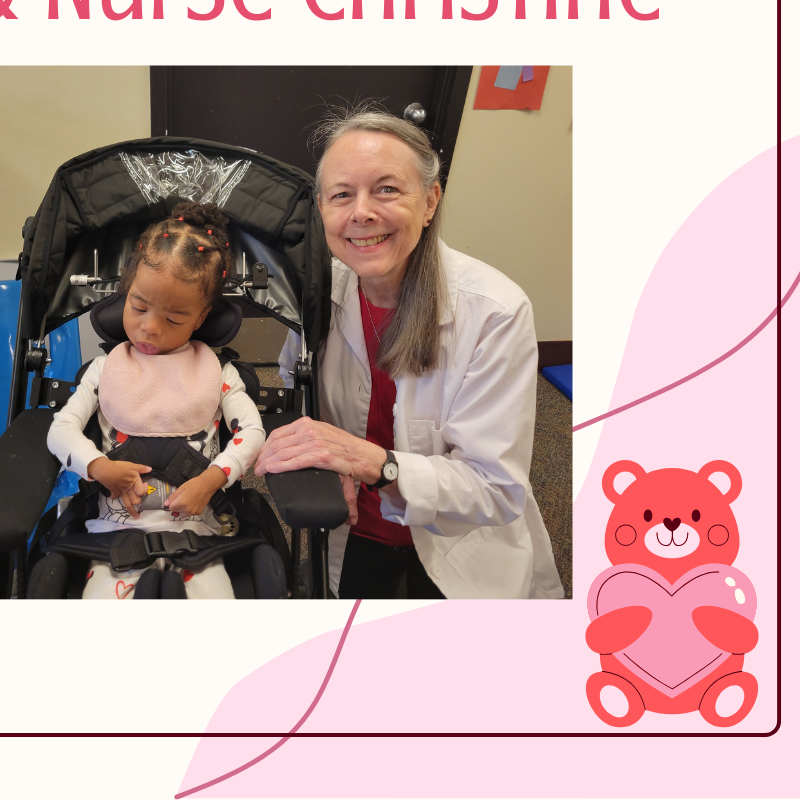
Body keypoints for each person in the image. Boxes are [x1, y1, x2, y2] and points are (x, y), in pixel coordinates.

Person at [256, 107, 564, 599]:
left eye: (387, 189)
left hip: (458, 542)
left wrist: (374, 463)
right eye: (341, 195)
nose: (361, 213)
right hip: (352, 527)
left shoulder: (496, 312)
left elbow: (495, 489)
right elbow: (300, 395)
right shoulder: (316, 294)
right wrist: (328, 464)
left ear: (430, 200)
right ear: (322, 210)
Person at [44, 202, 268, 599]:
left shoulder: (217, 373)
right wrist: (98, 467)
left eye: (175, 319)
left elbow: (251, 431)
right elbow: (61, 430)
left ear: (201, 318)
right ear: (124, 294)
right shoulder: (103, 370)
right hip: (114, 534)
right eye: (138, 307)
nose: (149, 327)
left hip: (199, 533)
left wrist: (211, 479)